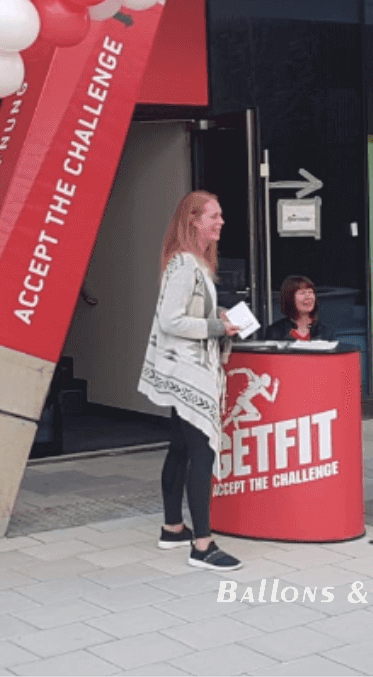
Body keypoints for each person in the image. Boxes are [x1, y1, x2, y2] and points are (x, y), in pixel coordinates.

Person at [137, 190, 243, 571]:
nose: (220, 222)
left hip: (182, 371)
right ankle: (203, 545)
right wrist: (218, 325)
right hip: (190, 373)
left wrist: (220, 315)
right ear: (193, 220)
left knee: (181, 447)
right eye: (213, 216)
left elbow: (184, 314)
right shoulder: (185, 265)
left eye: (220, 215)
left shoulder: (193, 263)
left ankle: (172, 527)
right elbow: (170, 320)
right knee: (202, 453)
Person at [265, 275, 338, 342]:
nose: (308, 297)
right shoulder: (276, 332)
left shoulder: (325, 333)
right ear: (290, 299)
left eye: (310, 292)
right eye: (302, 293)